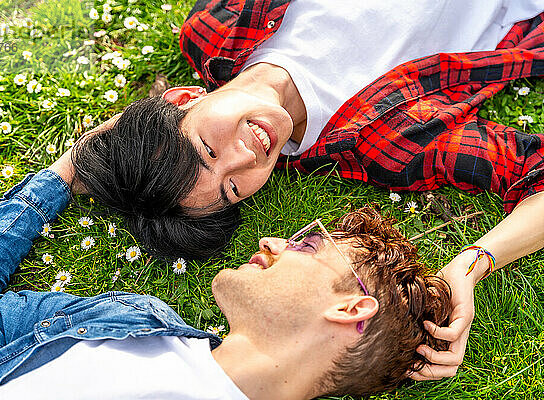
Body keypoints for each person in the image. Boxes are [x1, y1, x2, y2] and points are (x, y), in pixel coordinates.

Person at [73, 0, 544, 380]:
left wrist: (72, 166)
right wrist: (472, 263)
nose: (243, 158)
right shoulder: (383, 144)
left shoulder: (216, 31)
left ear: (181, 99)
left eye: (206, 150)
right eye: (234, 188)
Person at [0, 150, 452, 399]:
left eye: (309, 242)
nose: (272, 242)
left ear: (350, 308)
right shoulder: (126, 320)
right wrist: (64, 175)